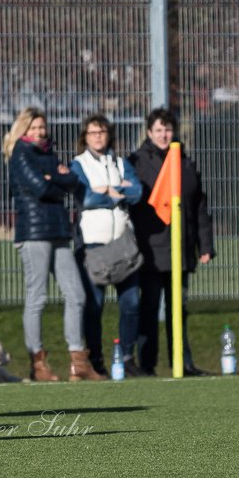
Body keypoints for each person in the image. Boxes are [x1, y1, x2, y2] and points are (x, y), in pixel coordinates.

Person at [3, 107, 90, 381]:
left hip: (60, 231)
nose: (40, 132)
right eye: (34, 128)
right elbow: (42, 188)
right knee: (37, 297)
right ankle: (38, 362)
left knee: (76, 294)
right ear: (24, 129)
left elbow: (73, 180)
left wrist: (57, 179)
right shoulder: (20, 153)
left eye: (42, 127)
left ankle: (79, 362)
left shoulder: (48, 153)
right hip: (34, 234)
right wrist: (56, 180)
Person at [128, 107, 214, 376]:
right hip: (151, 248)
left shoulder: (185, 162)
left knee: (180, 308)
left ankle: (183, 362)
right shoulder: (137, 162)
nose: (164, 135)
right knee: (150, 307)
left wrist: (205, 244)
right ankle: (147, 363)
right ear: (148, 132)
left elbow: (199, 206)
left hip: (182, 248)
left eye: (168, 129)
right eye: (158, 130)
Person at [71, 114, 143, 377]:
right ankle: (96, 360)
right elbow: (86, 198)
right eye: (92, 132)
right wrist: (115, 192)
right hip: (93, 245)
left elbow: (136, 192)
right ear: (85, 137)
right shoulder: (79, 165)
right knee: (94, 306)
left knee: (131, 303)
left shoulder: (120, 163)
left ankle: (126, 356)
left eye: (102, 132)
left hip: (123, 243)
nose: (98, 136)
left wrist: (109, 190)